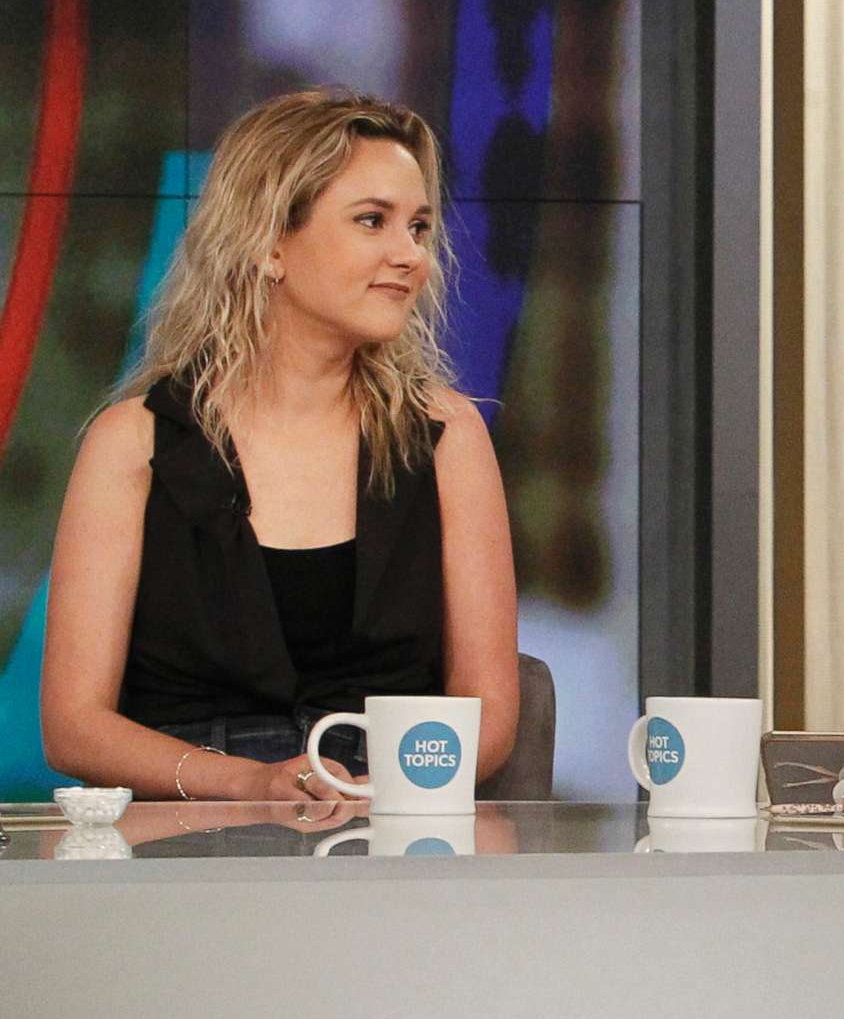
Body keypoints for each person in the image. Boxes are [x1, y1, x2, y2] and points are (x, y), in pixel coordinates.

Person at [42, 88, 518, 801]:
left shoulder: (449, 436)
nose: (409, 256)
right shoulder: (131, 445)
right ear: (268, 242)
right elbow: (75, 726)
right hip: (190, 837)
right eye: (372, 221)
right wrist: (247, 783)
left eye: (418, 227)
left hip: (388, 826)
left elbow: (488, 711)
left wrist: (368, 794)